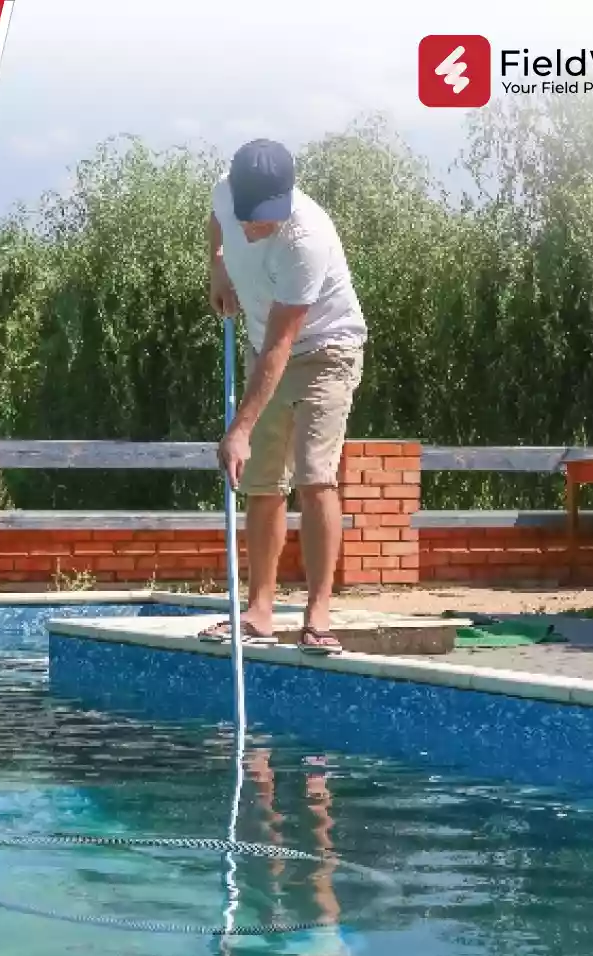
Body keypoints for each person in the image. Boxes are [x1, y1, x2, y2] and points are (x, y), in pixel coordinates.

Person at [200, 139, 366, 654]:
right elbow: (216, 224)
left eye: (266, 217)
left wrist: (240, 428)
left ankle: (317, 616)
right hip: (260, 347)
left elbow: (283, 343)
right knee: (263, 483)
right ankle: (259, 613)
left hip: (324, 350)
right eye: (250, 216)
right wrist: (219, 266)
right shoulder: (226, 195)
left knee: (315, 477)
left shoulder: (306, 238)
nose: (256, 227)